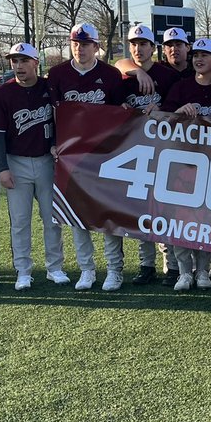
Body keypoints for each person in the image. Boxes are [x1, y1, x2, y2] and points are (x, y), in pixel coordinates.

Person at [44, 22, 129, 291]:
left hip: (105, 153)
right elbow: (51, 114)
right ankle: (87, 269)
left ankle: (114, 270)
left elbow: (121, 113)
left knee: (107, 213)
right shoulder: (57, 74)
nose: (80, 48)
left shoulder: (111, 74)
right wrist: (54, 143)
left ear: (96, 46)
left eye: (85, 44)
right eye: (75, 43)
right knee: (77, 214)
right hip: (73, 154)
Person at [0, 42, 71, 291]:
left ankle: (54, 267)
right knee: (20, 221)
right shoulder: (3, 92)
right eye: (14, 61)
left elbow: (63, 120)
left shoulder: (49, 88)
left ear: (36, 63)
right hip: (16, 162)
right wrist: (2, 168)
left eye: (24, 60)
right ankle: (23, 271)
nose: (18, 66)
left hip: (47, 161)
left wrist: (57, 144)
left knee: (52, 218)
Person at [116, 23, 178, 285]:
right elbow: (116, 72)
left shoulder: (168, 76)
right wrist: (133, 70)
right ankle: (145, 264)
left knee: (165, 210)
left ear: (153, 48)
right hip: (136, 152)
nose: (138, 49)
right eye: (133, 44)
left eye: (143, 44)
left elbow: (178, 109)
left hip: (164, 151)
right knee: (140, 210)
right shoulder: (124, 75)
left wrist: (162, 108)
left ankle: (171, 264)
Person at [162, 38, 211, 291]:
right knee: (180, 218)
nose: (199, 59)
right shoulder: (181, 87)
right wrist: (179, 111)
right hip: (183, 161)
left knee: (206, 219)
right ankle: (184, 273)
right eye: (196, 54)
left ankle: (202, 271)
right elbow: (162, 121)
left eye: (205, 55)